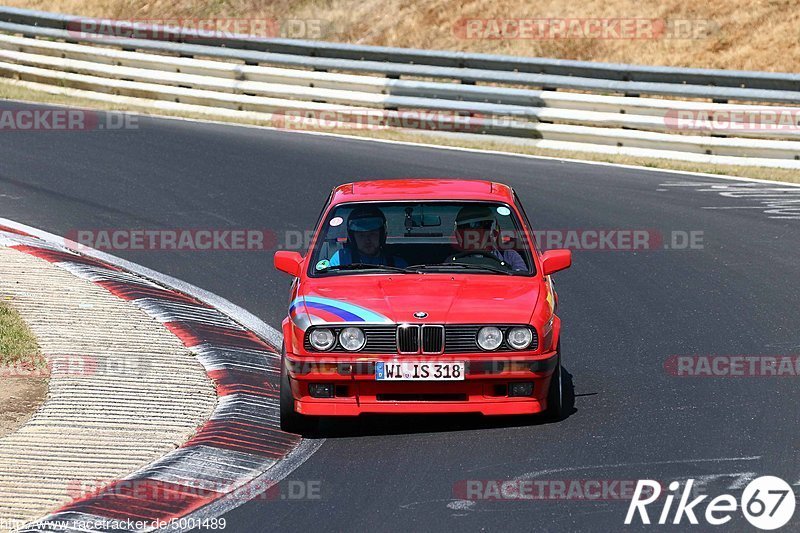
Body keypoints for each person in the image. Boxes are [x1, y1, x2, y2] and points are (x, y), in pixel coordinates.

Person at [453, 205, 527, 271]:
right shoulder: (451, 263)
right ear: (460, 236)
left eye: (479, 229)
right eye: (468, 231)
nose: (473, 236)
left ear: (492, 232)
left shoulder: (510, 257)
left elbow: (524, 282)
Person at [329, 206, 407, 267]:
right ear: (352, 237)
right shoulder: (341, 260)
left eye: (372, 234)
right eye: (361, 235)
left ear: (382, 235)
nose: (367, 240)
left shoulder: (397, 265)